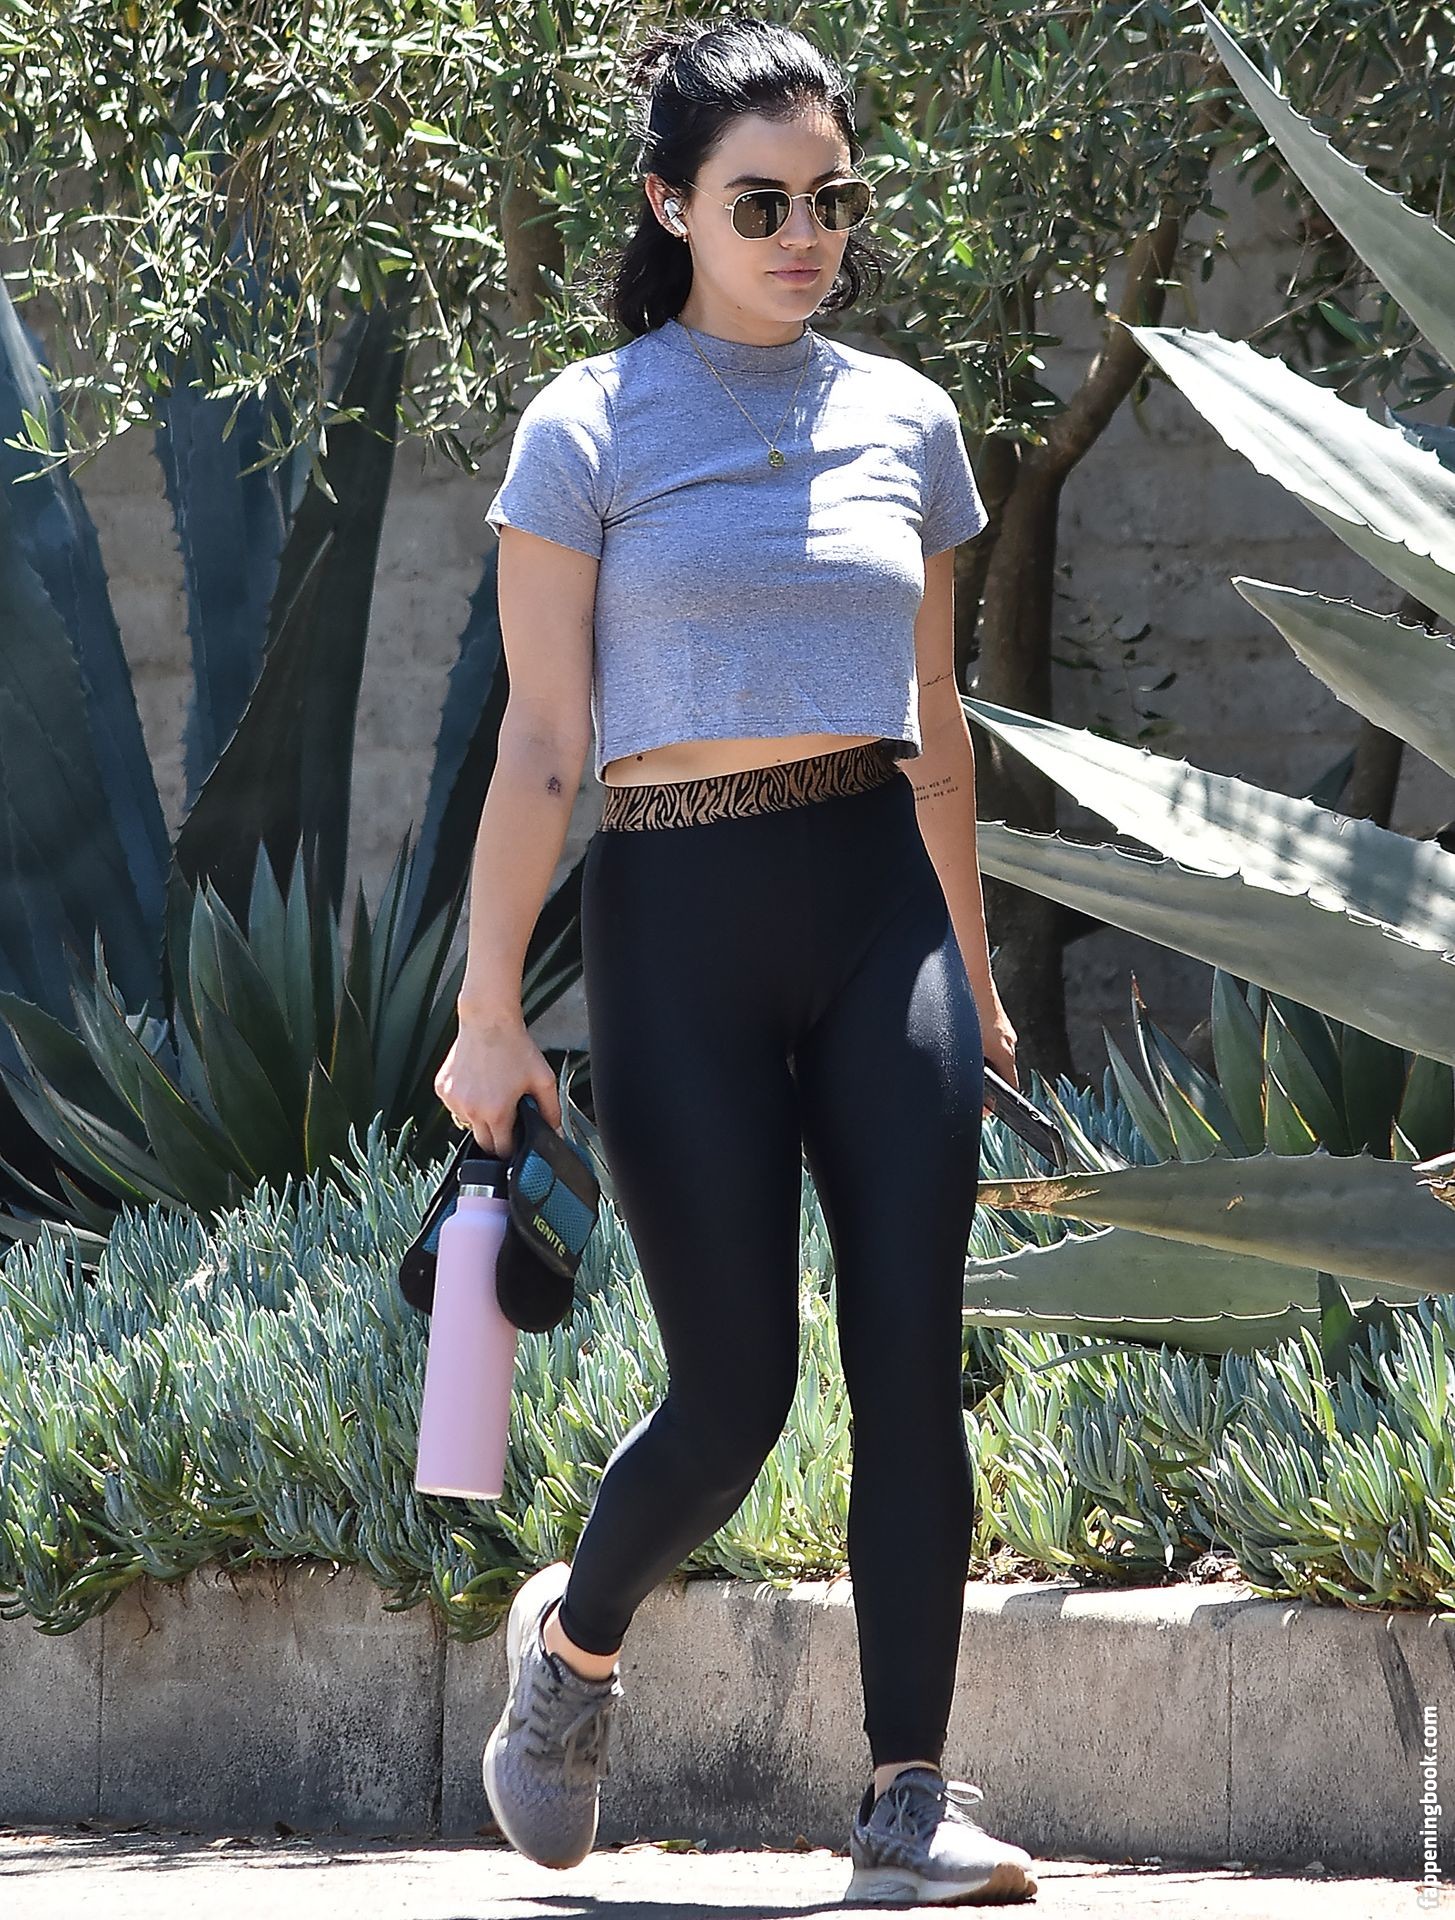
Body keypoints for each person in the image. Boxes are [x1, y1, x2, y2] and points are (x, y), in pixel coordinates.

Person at [434, 10, 1037, 1907]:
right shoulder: (590, 424)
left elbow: (935, 725)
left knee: (909, 1358)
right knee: (735, 1401)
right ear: (670, 206)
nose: (805, 236)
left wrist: (975, 970)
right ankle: (573, 1653)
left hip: (879, 913)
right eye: (761, 202)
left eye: (831, 200)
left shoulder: (908, 421)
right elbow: (545, 745)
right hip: (676, 924)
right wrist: (487, 1018)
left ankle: (908, 1799)